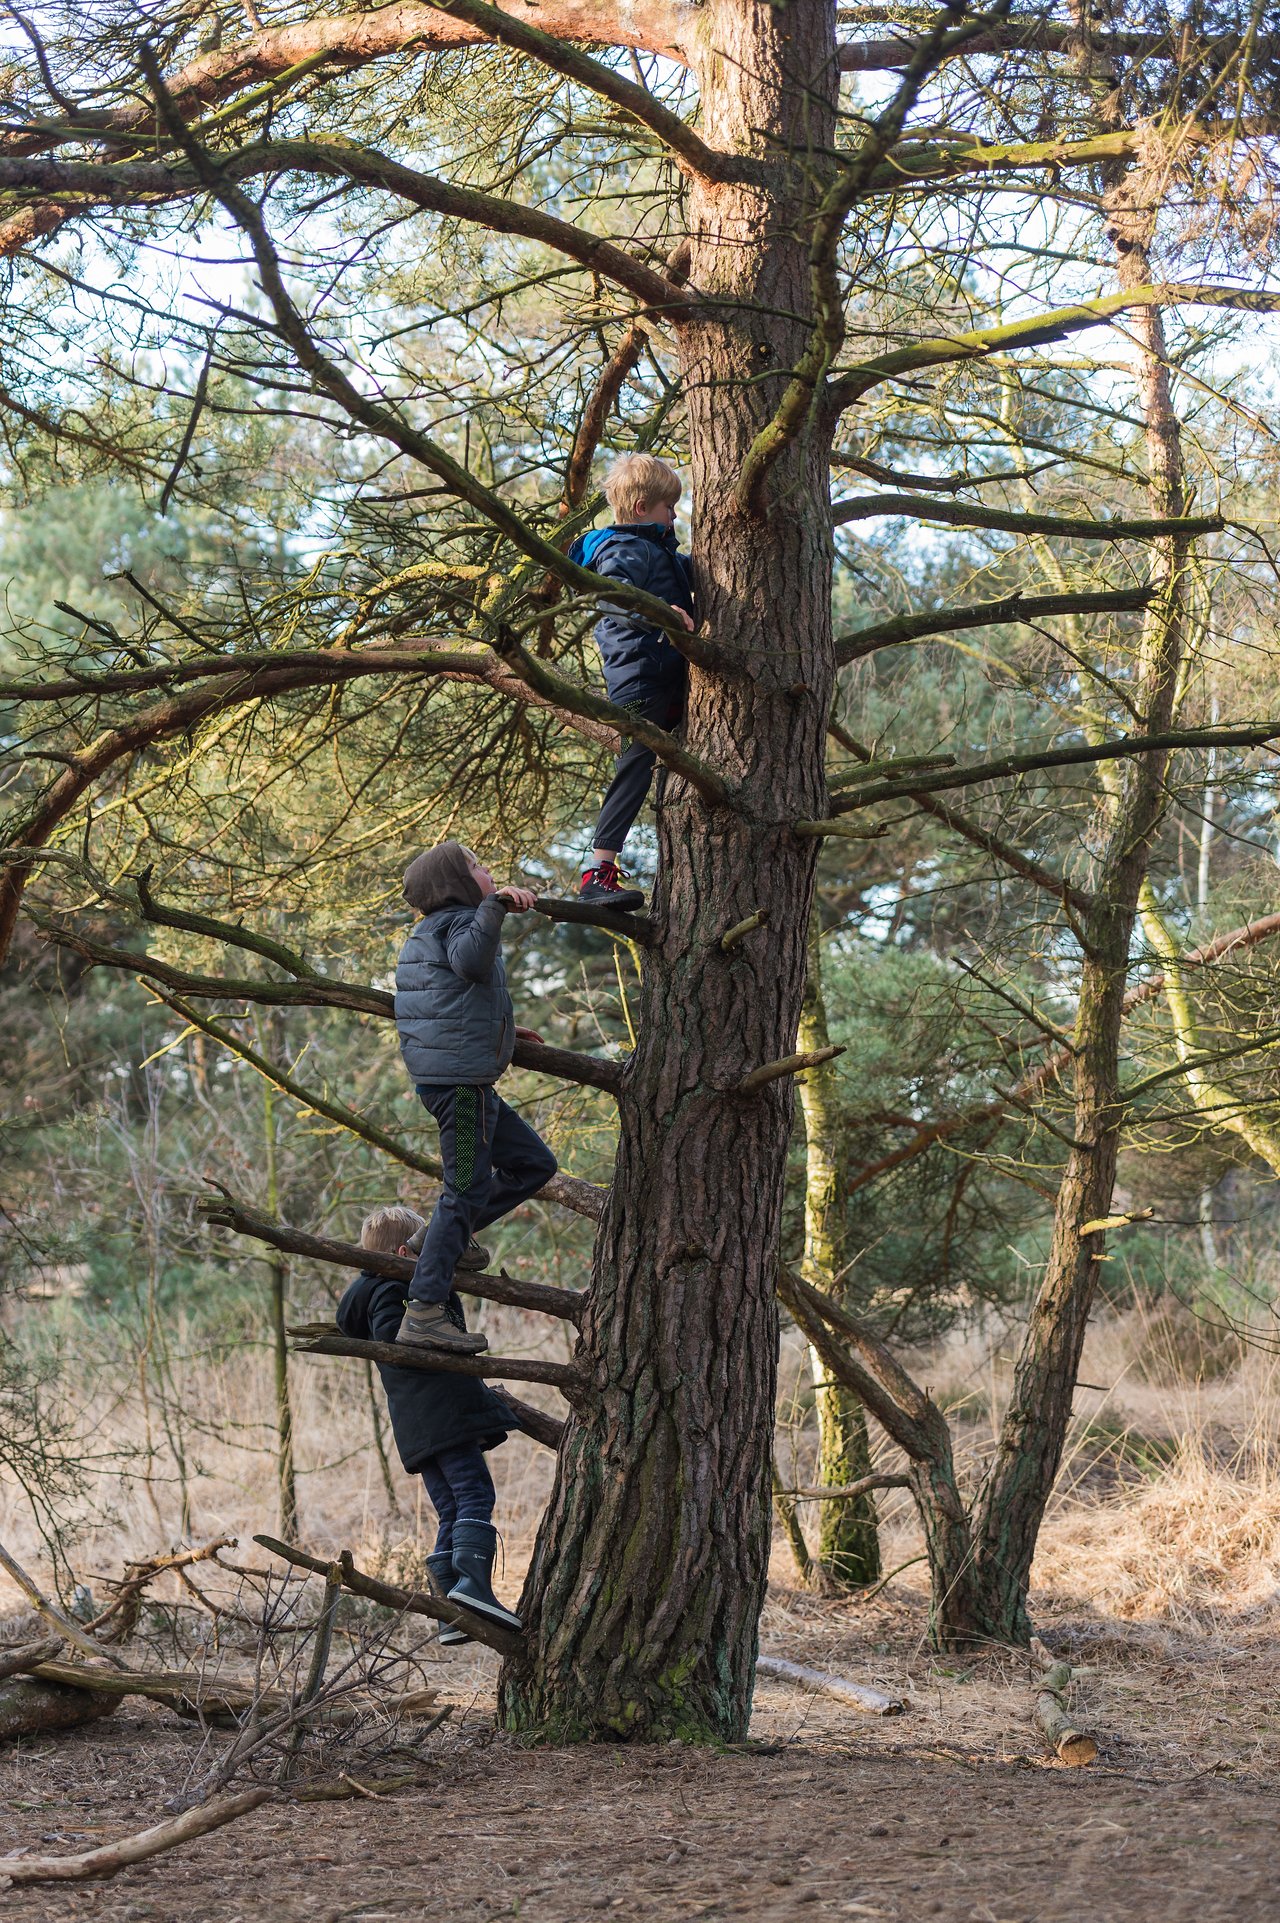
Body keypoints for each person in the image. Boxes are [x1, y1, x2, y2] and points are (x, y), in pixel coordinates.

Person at [393, 839, 558, 1355]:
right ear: (457, 886)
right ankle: (423, 1311)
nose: (489, 872)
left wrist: (506, 1031)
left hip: (460, 1077)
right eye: (477, 868)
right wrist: (494, 908)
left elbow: (454, 1002)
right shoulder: (461, 923)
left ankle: (434, 1241)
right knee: (463, 1189)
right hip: (462, 1085)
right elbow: (470, 965)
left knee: (533, 1164)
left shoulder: (431, 931)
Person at [337, 1204, 523, 1636]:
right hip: (442, 1413)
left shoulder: (381, 1289)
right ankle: (473, 1588)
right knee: (475, 1493)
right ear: (405, 1254)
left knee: (450, 1508)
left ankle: (452, 1610)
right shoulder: (399, 1289)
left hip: (421, 1422)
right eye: (429, 1251)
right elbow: (394, 1340)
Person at [569, 452, 696, 910]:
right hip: (641, 674)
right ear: (642, 507)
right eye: (669, 508)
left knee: (655, 760)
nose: (675, 515)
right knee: (635, 764)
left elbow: (685, 576)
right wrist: (661, 615)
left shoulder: (657, 550)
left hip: (663, 672)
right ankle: (597, 871)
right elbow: (616, 599)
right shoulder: (621, 550)